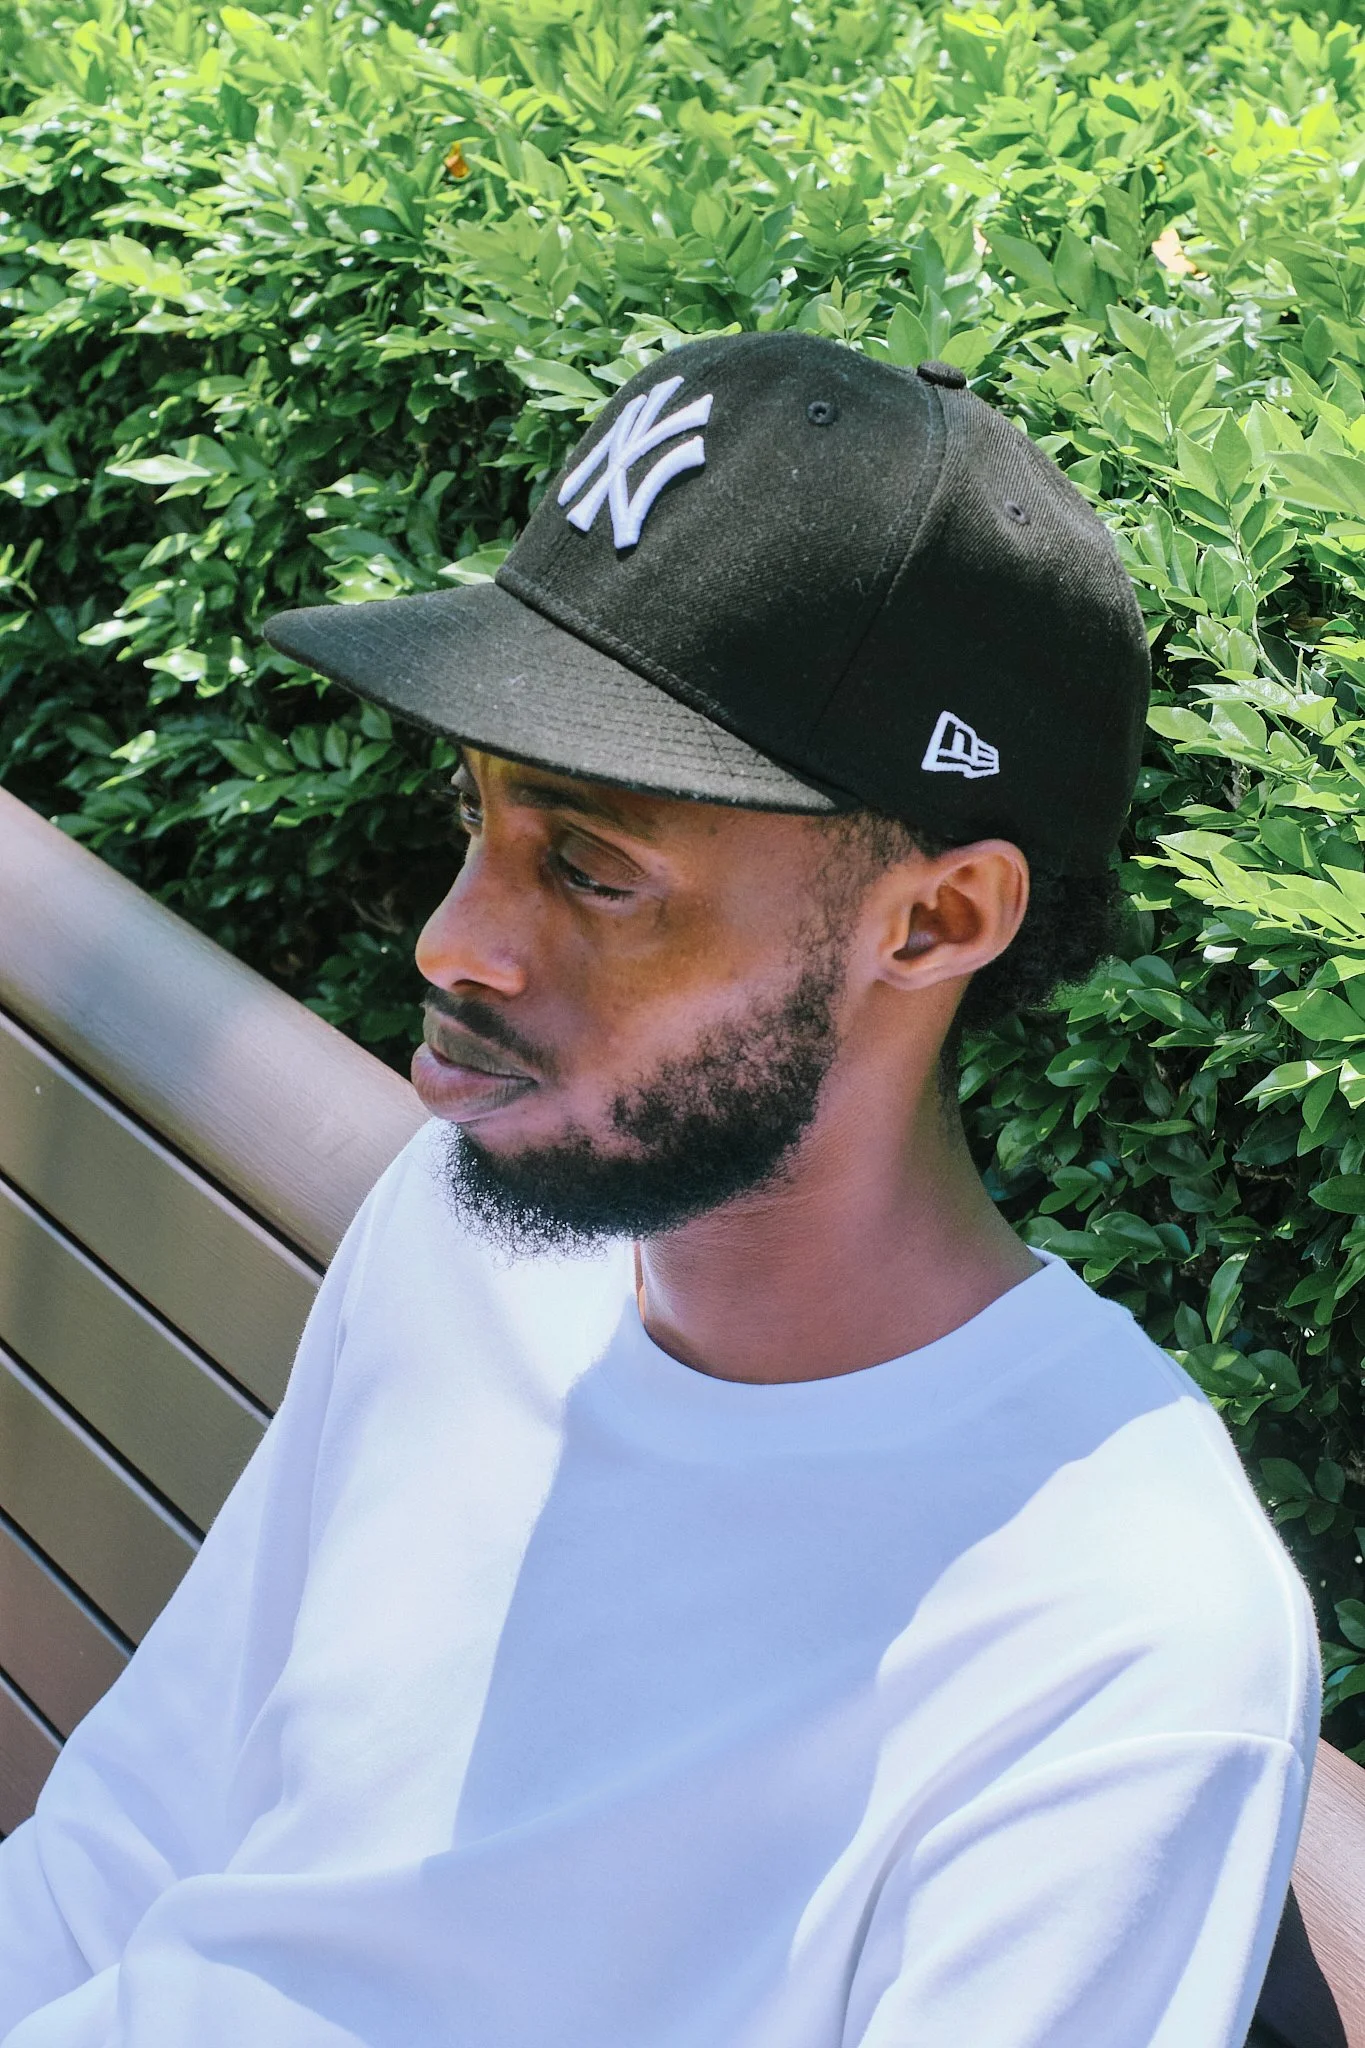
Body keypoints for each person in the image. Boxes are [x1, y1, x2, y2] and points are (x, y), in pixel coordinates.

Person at [0, 333, 1317, 2047]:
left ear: (933, 922)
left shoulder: (1109, 1642)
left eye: (596, 867)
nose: (452, 939)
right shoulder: (470, 1228)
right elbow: (128, 1844)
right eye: (472, 815)